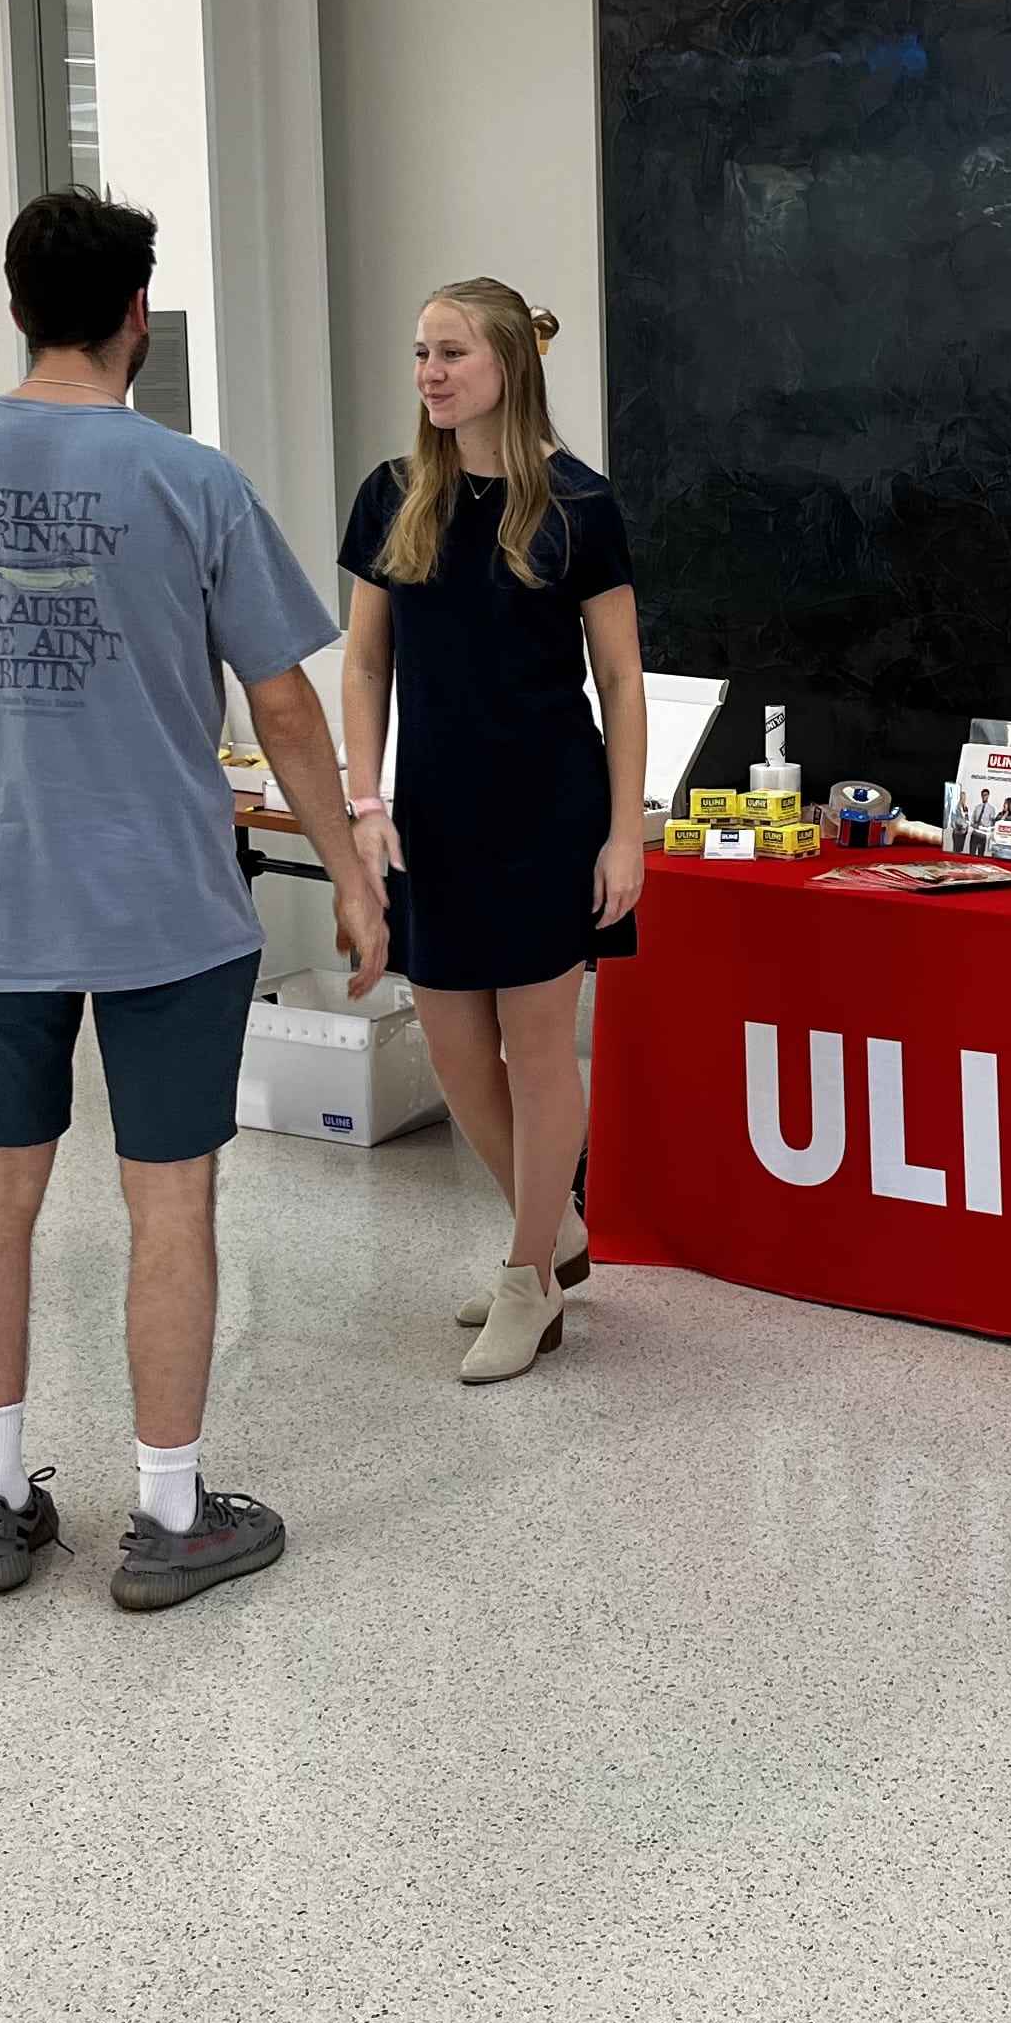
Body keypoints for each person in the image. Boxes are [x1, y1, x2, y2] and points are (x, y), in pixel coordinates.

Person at [0, 188, 385, 1612]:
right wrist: (354, 867)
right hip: (169, 907)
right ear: (140, 312)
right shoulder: (195, 482)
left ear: (19, 307)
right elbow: (288, 708)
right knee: (170, 1199)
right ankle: (165, 1514)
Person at [336, 281, 648, 1383]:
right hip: (432, 812)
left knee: (535, 1039)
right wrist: (364, 808)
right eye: (421, 352)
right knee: (456, 1048)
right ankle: (552, 1231)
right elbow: (365, 662)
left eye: (452, 353)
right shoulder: (393, 496)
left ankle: (530, 1277)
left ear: (507, 364)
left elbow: (619, 679)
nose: (430, 372)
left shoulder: (577, 505)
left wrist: (625, 835)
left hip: (548, 812)